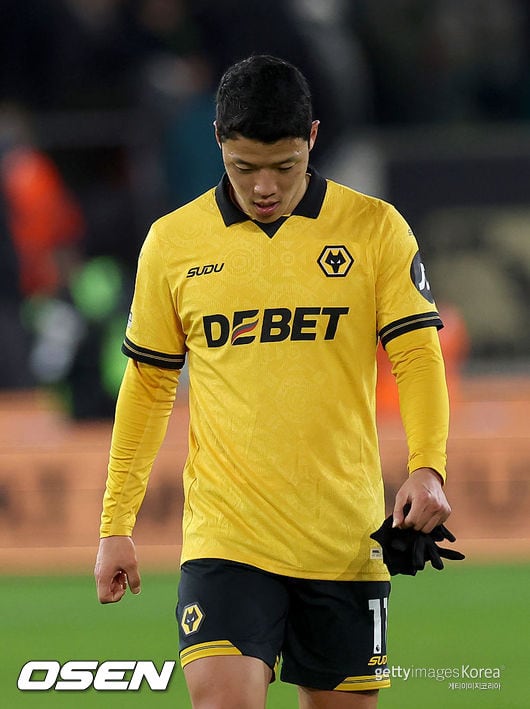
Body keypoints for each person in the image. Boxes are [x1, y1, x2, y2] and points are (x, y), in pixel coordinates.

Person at [94, 55, 452, 708]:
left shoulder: (374, 229)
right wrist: (115, 523)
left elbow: (417, 356)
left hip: (343, 540)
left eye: (284, 167)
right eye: (244, 167)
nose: (264, 187)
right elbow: (147, 386)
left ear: (312, 138)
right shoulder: (172, 244)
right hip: (226, 539)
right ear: (217, 141)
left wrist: (428, 468)